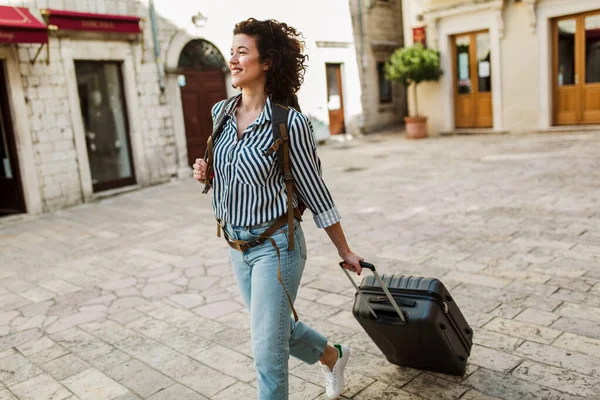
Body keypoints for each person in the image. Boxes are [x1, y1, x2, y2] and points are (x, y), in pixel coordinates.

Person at [192, 18, 363, 400]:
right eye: (231, 51)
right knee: (275, 330)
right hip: (238, 248)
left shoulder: (290, 124)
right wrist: (207, 174)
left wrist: (344, 250)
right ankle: (334, 356)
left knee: (266, 355)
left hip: (277, 247)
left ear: (266, 62)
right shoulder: (221, 113)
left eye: (242, 52)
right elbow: (228, 177)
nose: (232, 60)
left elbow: (317, 192)